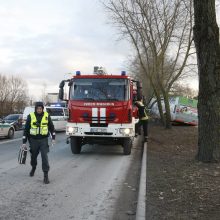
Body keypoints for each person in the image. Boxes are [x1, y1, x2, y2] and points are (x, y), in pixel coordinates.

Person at [22, 102, 55, 184]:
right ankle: (33, 167)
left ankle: (46, 176)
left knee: (44, 157)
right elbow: (26, 130)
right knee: (33, 157)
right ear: (35, 109)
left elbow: (51, 127)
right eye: (37, 109)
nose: (39, 110)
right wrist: (24, 142)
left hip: (43, 140)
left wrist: (53, 138)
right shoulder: (31, 116)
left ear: (42, 109)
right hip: (33, 140)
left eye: (40, 108)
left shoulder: (47, 116)